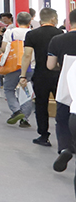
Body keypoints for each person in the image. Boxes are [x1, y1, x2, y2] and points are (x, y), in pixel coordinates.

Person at [23, 8, 64, 149]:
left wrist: (23, 75)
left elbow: (27, 55)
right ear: (53, 19)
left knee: (41, 105)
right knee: (62, 104)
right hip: (58, 74)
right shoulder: (60, 34)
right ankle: (65, 136)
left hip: (40, 74)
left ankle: (43, 135)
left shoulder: (32, 34)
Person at [45, 9, 76, 159]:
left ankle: (65, 148)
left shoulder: (57, 40)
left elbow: (50, 65)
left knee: (62, 118)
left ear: (69, 22)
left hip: (67, 84)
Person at [0, 12, 34, 128]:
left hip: (13, 65)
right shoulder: (32, 33)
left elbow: (3, 48)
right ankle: (25, 119)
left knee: (9, 89)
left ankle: (16, 110)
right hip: (30, 65)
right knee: (27, 91)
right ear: (30, 21)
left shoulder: (10, 32)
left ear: (17, 21)